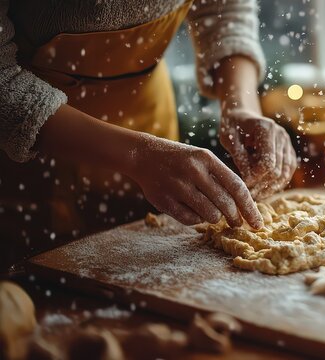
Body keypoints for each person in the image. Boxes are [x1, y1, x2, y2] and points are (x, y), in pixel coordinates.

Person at [0, 0, 296, 268]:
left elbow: (224, 6)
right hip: (36, 142)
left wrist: (240, 104)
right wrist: (137, 155)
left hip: (150, 124)